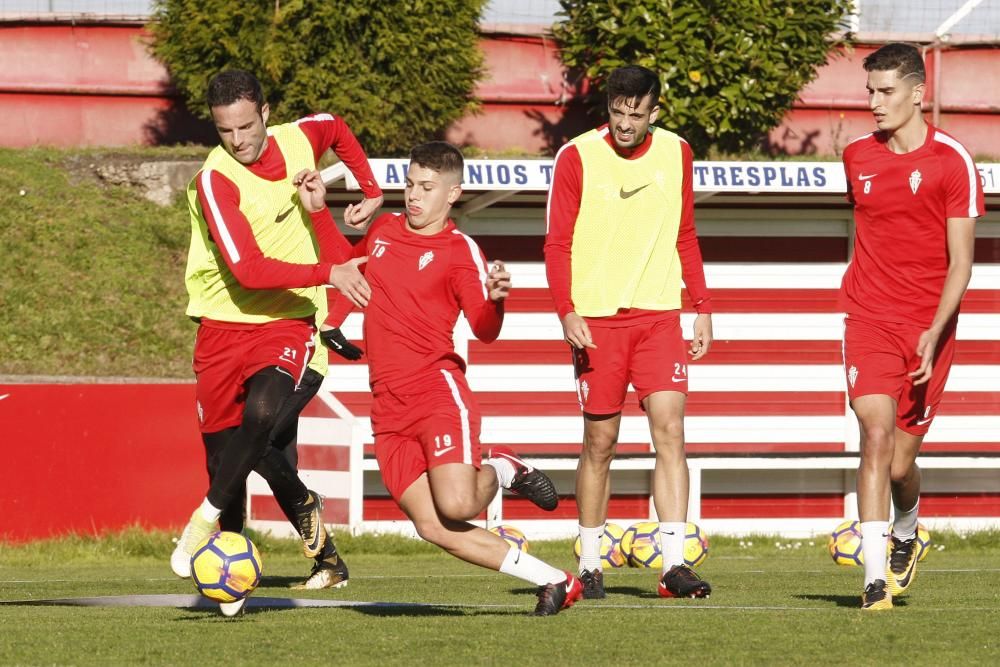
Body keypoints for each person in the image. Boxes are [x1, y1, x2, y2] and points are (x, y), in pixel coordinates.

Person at [326, 141, 582, 616]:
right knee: (433, 526)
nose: (414, 196)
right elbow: (348, 270)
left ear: (453, 193)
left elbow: (484, 330)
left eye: (426, 187)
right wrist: (321, 212)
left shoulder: (461, 251)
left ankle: (503, 468)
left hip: (437, 393)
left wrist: (498, 298)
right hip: (386, 404)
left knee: (458, 504)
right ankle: (556, 580)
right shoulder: (383, 229)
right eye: (409, 185)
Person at [171, 69, 383, 614]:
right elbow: (246, 270)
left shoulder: (297, 138)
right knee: (234, 455)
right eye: (225, 132)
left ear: (266, 113)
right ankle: (287, 555)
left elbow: (335, 126)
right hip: (223, 324)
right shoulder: (217, 181)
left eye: (246, 126)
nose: (238, 141)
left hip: (292, 321)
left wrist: (371, 188)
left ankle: (219, 528)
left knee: (261, 422)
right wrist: (329, 269)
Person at [544, 65, 714, 600]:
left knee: (671, 430)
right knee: (601, 441)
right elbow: (556, 243)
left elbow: (686, 234)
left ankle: (672, 565)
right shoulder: (576, 157)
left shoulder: (677, 153)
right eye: (617, 112)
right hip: (596, 322)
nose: (624, 123)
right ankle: (591, 561)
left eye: (635, 114)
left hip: (660, 316)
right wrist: (566, 311)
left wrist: (702, 306)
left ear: (654, 113)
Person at [839, 43, 983, 610]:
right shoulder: (857, 156)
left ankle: (907, 531)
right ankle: (874, 581)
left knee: (900, 464)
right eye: (869, 91)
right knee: (873, 436)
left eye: (885, 92)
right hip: (868, 318)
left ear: (918, 93)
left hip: (930, 330)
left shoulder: (953, 162)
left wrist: (934, 328)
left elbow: (963, 262)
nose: (874, 103)